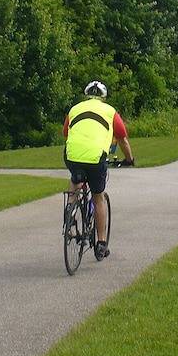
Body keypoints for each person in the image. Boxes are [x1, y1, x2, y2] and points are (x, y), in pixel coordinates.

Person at [64, 81, 134, 261]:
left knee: (76, 178)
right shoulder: (110, 112)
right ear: (103, 97)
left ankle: (70, 210)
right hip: (96, 157)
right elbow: (123, 139)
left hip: (72, 155)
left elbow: (66, 133)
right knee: (98, 196)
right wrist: (129, 160)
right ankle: (101, 243)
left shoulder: (74, 109)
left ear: (86, 95)